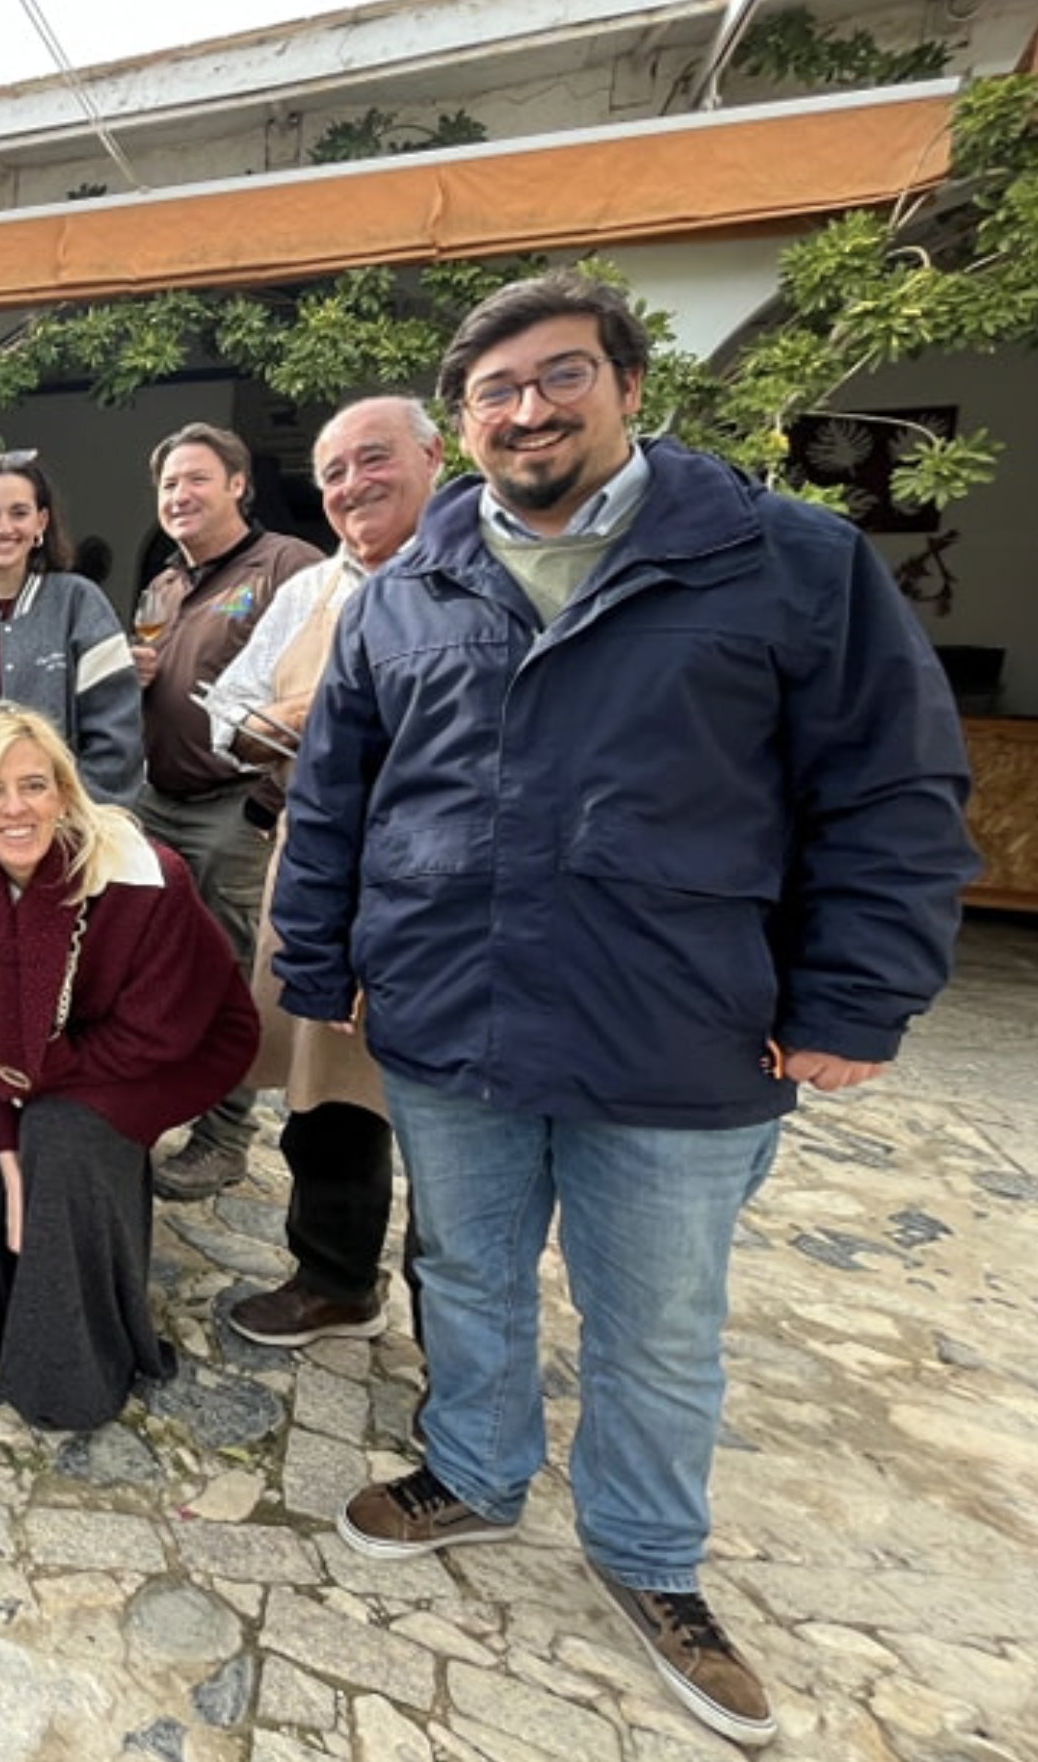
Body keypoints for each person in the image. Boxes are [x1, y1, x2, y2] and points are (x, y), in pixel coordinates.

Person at [271, 271, 977, 1748]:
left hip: (676, 1017)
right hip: (452, 1007)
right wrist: (314, 950)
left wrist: (855, 992)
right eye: (494, 392)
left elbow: (889, 788)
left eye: (557, 376)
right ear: (462, 424)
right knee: (462, 1268)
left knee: (654, 1318)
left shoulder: (781, 561)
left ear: (626, 385)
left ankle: (648, 1556)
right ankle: (470, 1468)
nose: (526, 410)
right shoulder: (410, 588)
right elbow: (336, 791)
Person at [0, 706, 257, 1432]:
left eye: (33, 785)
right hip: (38, 1057)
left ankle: (72, 1375)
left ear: (65, 792)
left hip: (157, 1053)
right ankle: (11, 1329)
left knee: (64, 1139)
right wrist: (8, 1169)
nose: (14, 808)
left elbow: (150, 1037)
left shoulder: (140, 876)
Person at [203, 396, 443, 1352]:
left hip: (437, 873)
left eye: (373, 461)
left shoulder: (474, 577)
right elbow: (228, 711)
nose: (351, 486)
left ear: (434, 457)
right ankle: (334, 1276)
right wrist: (277, 721)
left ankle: (454, 1328)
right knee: (323, 1084)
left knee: (446, 1111)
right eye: (335, 473)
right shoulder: (314, 593)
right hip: (314, 858)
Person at [131, 423, 327, 1201]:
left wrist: (265, 803)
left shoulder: (286, 566)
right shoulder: (165, 583)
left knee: (232, 972)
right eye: (169, 485)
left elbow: (308, 686)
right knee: (158, 966)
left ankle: (224, 1135)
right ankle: (159, 1101)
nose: (180, 496)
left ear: (238, 484)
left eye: (196, 480)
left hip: (230, 804)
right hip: (157, 798)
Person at [0, 453, 141, 807]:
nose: (4, 528)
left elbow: (116, 731)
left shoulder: (79, 602)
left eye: (19, 513)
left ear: (41, 522)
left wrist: (76, 813)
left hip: (67, 820)